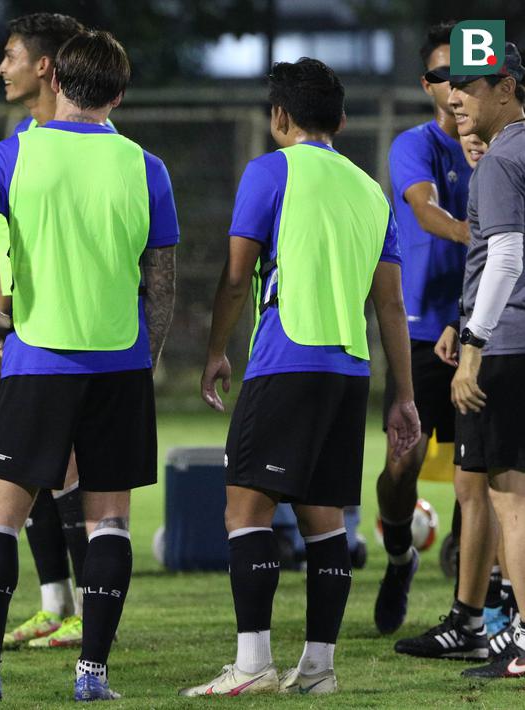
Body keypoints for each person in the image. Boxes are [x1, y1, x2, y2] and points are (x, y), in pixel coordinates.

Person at [0, 30, 178, 701]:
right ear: (118, 95)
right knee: (109, 523)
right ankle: (92, 675)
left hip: (37, 360)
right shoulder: (146, 167)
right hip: (119, 364)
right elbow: (161, 283)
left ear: (59, 82)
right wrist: (146, 358)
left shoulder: (13, 153)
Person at [186, 58, 419, 696]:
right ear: (340, 120)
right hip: (349, 370)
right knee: (325, 520)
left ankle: (253, 664)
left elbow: (238, 276)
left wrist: (216, 350)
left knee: (245, 509)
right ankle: (317, 670)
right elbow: (391, 305)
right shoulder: (370, 190)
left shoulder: (270, 171)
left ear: (279, 117)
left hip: (286, 360)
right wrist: (403, 395)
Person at [0, 11, 92, 651]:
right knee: (31, 466)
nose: (1, 68)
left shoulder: (90, 142)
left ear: (44, 66)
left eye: (11, 56)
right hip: (23, 325)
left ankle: (86, 606)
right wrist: (2, 312)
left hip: (74, 332)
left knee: (73, 468)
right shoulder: (21, 140)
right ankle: (54, 602)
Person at [373, 22, 473, 638]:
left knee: (481, 465)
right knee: (402, 462)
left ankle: (470, 582)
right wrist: (474, 232)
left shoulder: (499, 147)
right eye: (441, 75)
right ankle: (397, 555)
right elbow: (423, 204)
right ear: (425, 83)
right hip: (419, 329)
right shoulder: (416, 144)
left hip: (483, 327)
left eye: (461, 74)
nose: (452, 86)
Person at [443, 42, 525, 680]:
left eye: (469, 86)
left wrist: (472, 345)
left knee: (511, 503)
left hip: (507, 345)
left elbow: (505, 256)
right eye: (453, 86)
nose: (455, 98)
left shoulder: (500, 159)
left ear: (506, 88)